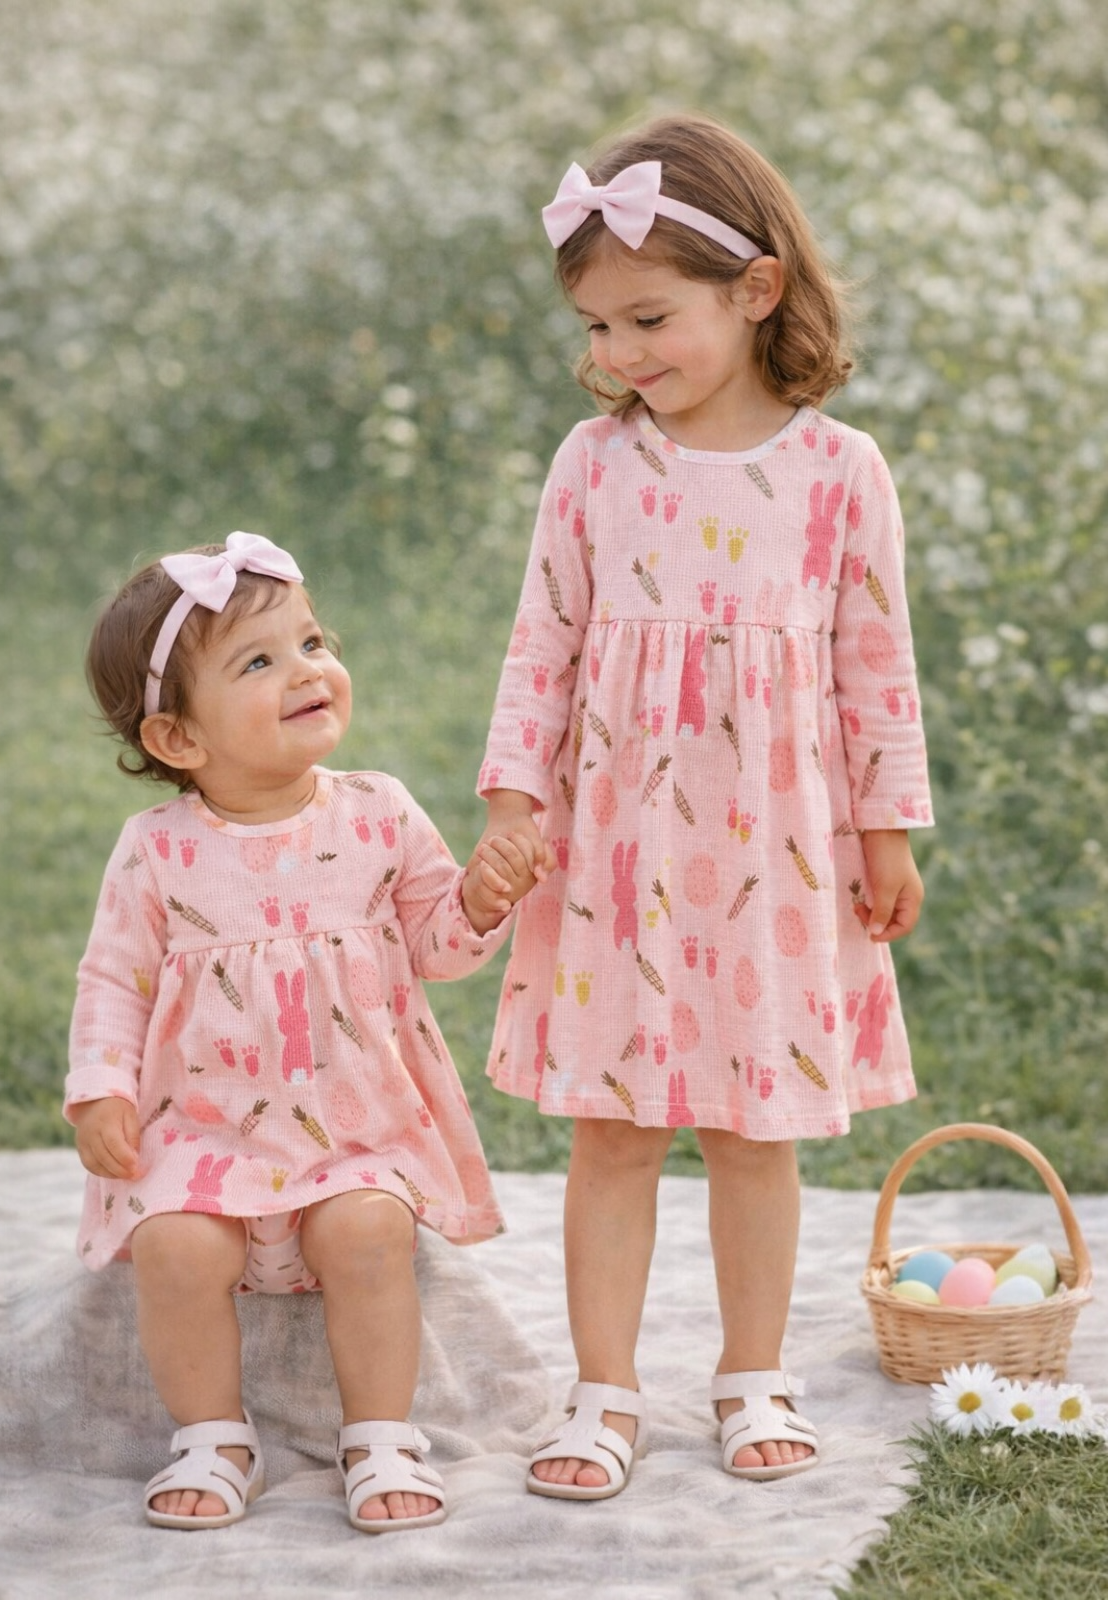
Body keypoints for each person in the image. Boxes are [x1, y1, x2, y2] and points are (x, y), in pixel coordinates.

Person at [475, 113, 932, 1494]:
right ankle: (603, 1390)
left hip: (780, 858)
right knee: (613, 1129)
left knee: (754, 1128)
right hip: (616, 851)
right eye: (600, 327)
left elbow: (875, 662)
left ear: (757, 289)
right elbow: (541, 646)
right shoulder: (596, 467)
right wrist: (511, 801)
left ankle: (753, 1375)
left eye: (648, 319)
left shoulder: (840, 473)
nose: (618, 356)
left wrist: (886, 823)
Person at [66, 532, 546, 1532]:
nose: (308, 669)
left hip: (353, 1128)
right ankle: (211, 1434)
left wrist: (482, 898)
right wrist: (102, 1087)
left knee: (370, 1230)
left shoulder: (378, 812)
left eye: (312, 640)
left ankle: (380, 1433)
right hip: (204, 1132)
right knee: (174, 1246)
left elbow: (437, 947)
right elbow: (115, 976)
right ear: (180, 741)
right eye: (259, 660)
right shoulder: (157, 851)